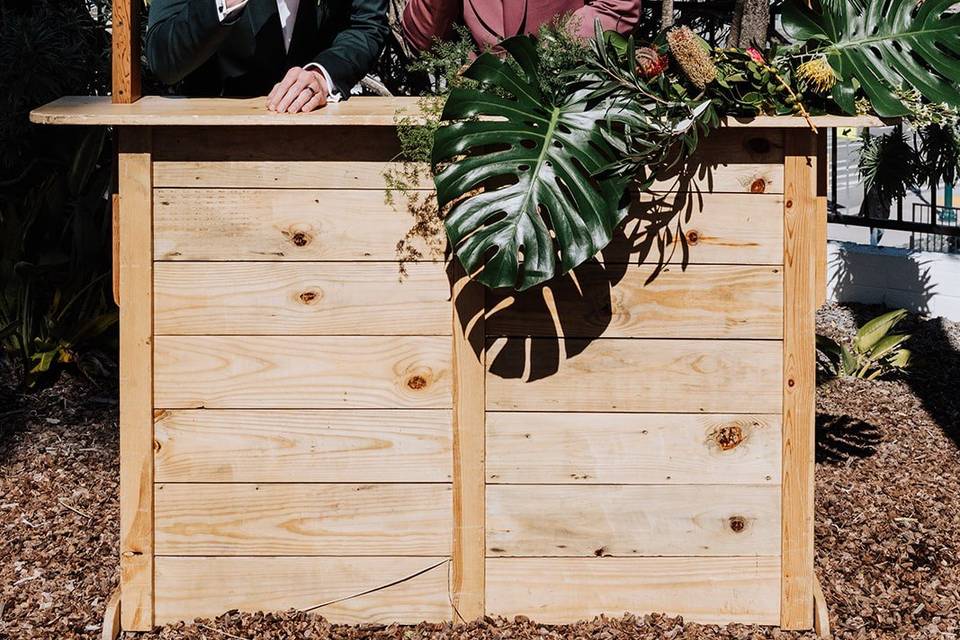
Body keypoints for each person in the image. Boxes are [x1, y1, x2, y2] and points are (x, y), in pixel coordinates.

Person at [145, 0, 389, 112]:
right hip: (210, 150)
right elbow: (164, 59)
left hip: (321, 146)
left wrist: (323, 74)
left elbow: (366, 25)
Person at [401, 0, 641, 53]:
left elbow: (618, 7)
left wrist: (547, 57)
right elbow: (424, 41)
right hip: (478, 115)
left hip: (569, 110)